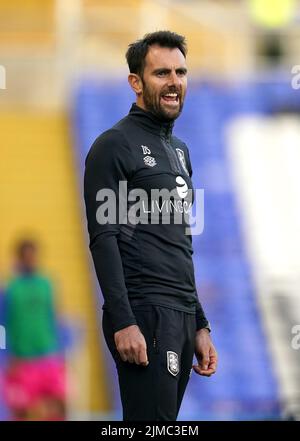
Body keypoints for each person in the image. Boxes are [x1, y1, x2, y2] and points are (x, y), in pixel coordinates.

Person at [84, 30, 218, 421]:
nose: (174, 82)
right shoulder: (114, 145)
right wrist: (124, 321)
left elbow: (180, 243)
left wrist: (200, 323)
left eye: (181, 71)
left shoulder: (180, 151)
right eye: (162, 73)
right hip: (144, 313)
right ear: (136, 83)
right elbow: (103, 238)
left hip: (180, 314)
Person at [3, 239, 66, 420]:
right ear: (20, 259)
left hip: (48, 355)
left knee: (59, 405)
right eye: (27, 257)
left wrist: (60, 352)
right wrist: (6, 355)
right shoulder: (10, 288)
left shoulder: (47, 284)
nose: (31, 261)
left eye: (34, 257)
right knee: (20, 410)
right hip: (22, 359)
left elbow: (55, 318)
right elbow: (2, 324)